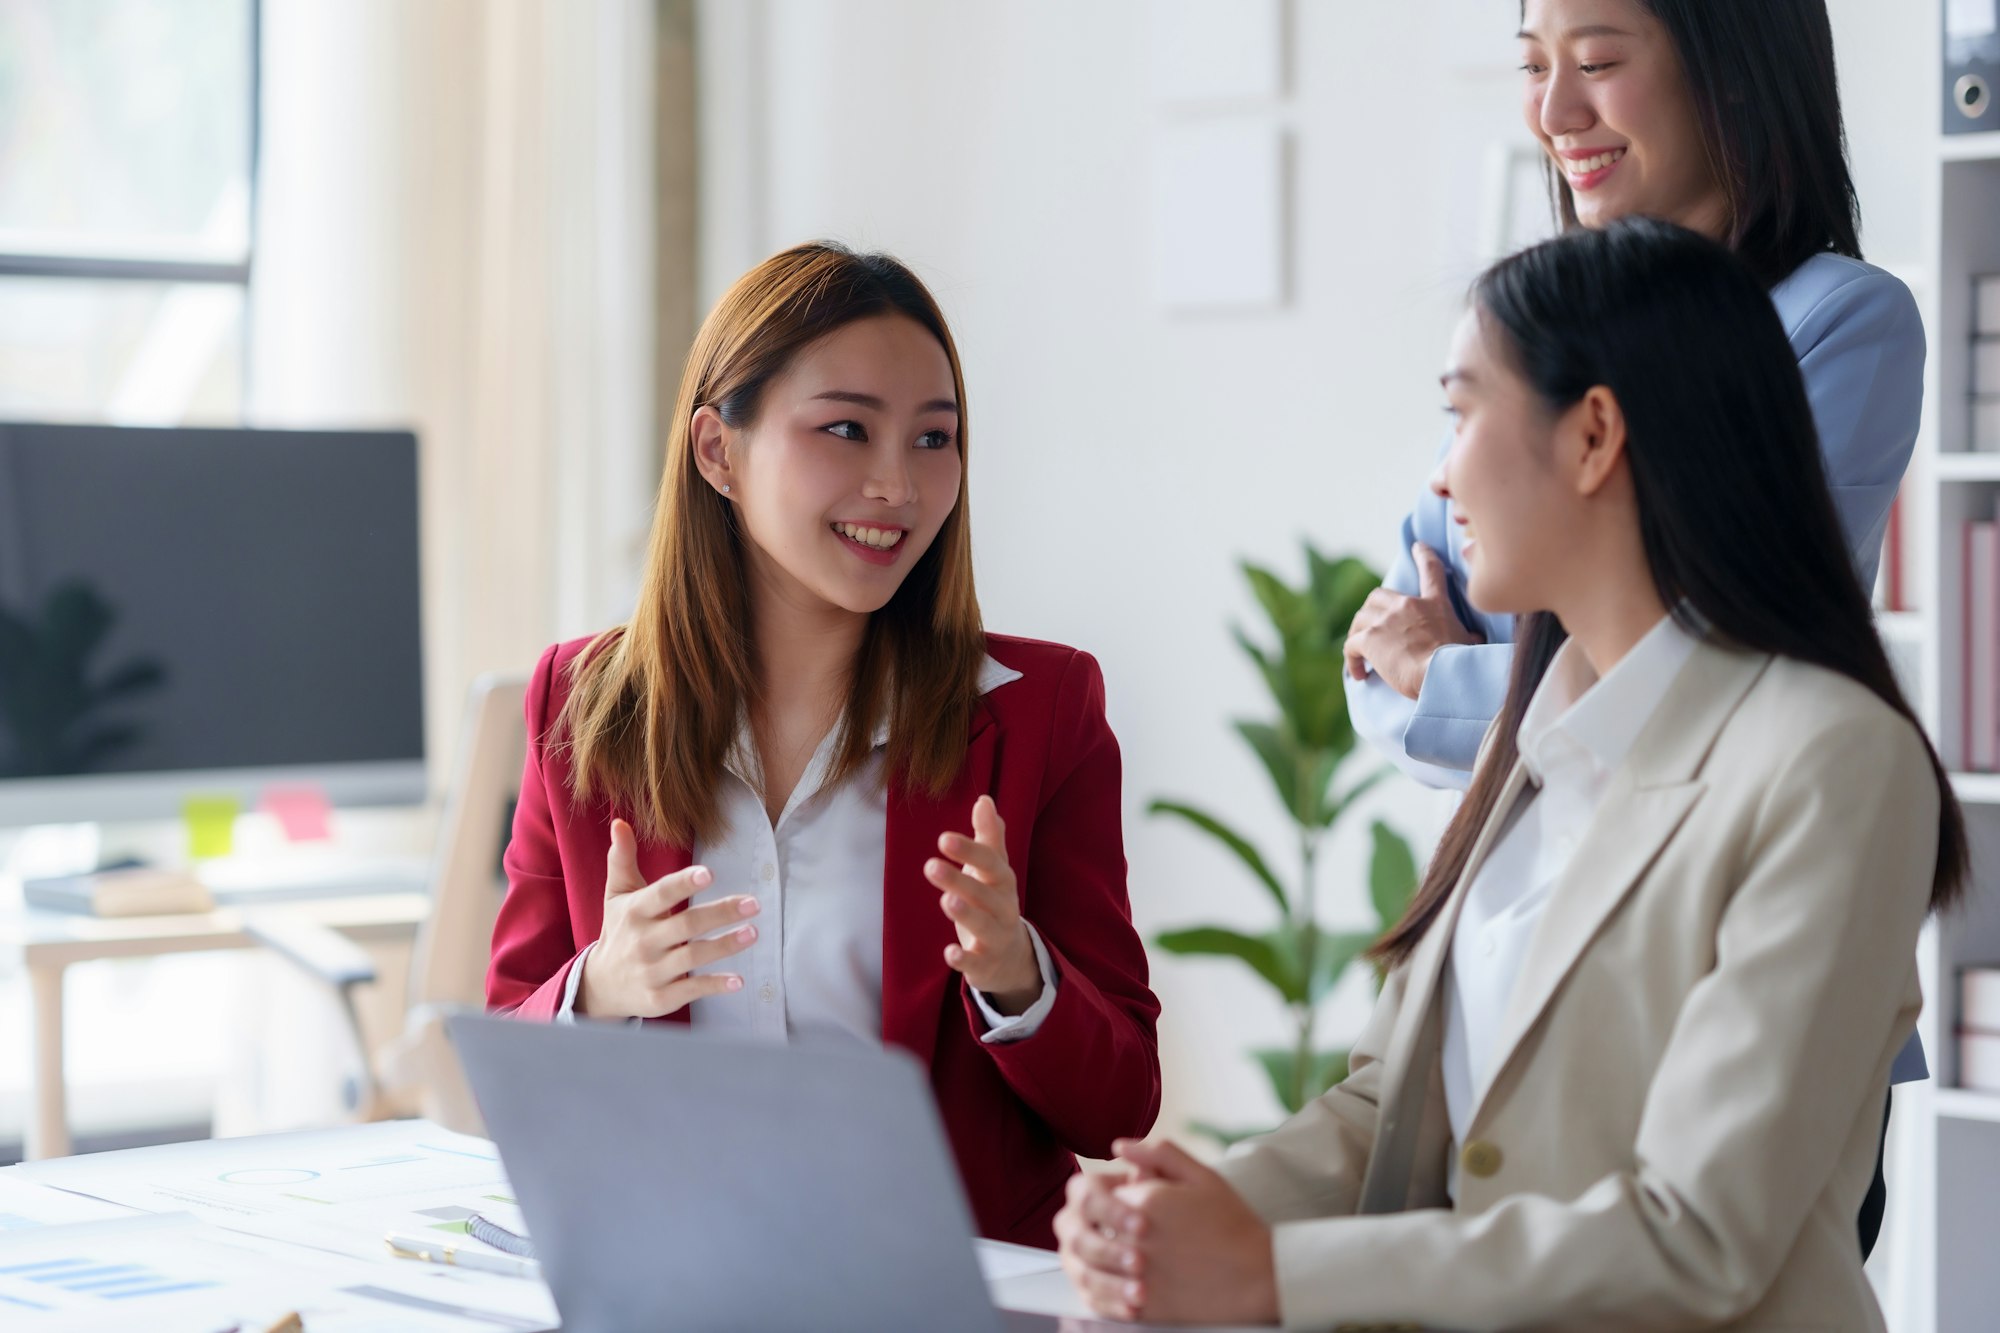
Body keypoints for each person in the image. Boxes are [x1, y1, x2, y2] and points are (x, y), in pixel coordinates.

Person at [1053, 219, 1966, 1331]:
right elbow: (1388, 1104)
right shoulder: (1538, 739)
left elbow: (1698, 1234)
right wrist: (1185, 1219)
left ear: (1590, 436)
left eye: (1460, 409)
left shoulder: (1829, 759)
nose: (1438, 475)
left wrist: (1269, 1276)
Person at [1341, 0, 1927, 1251]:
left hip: (1725, 954)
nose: (1555, 114)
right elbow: (1379, 656)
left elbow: (1712, 661)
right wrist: (1477, 666)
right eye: (1533, 66)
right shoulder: (1542, 320)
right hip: (1532, 947)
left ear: (1731, 68)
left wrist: (1456, 669)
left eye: (1598, 64)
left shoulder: (1835, 318)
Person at [486, 241, 1161, 1247]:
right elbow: (504, 1073)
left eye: (934, 439)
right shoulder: (577, 706)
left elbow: (1119, 1105)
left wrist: (1019, 975)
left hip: (944, 1293)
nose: (897, 483)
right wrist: (600, 991)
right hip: (672, 1277)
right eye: (846, 429)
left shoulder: (1039, 710)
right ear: (717, 451)